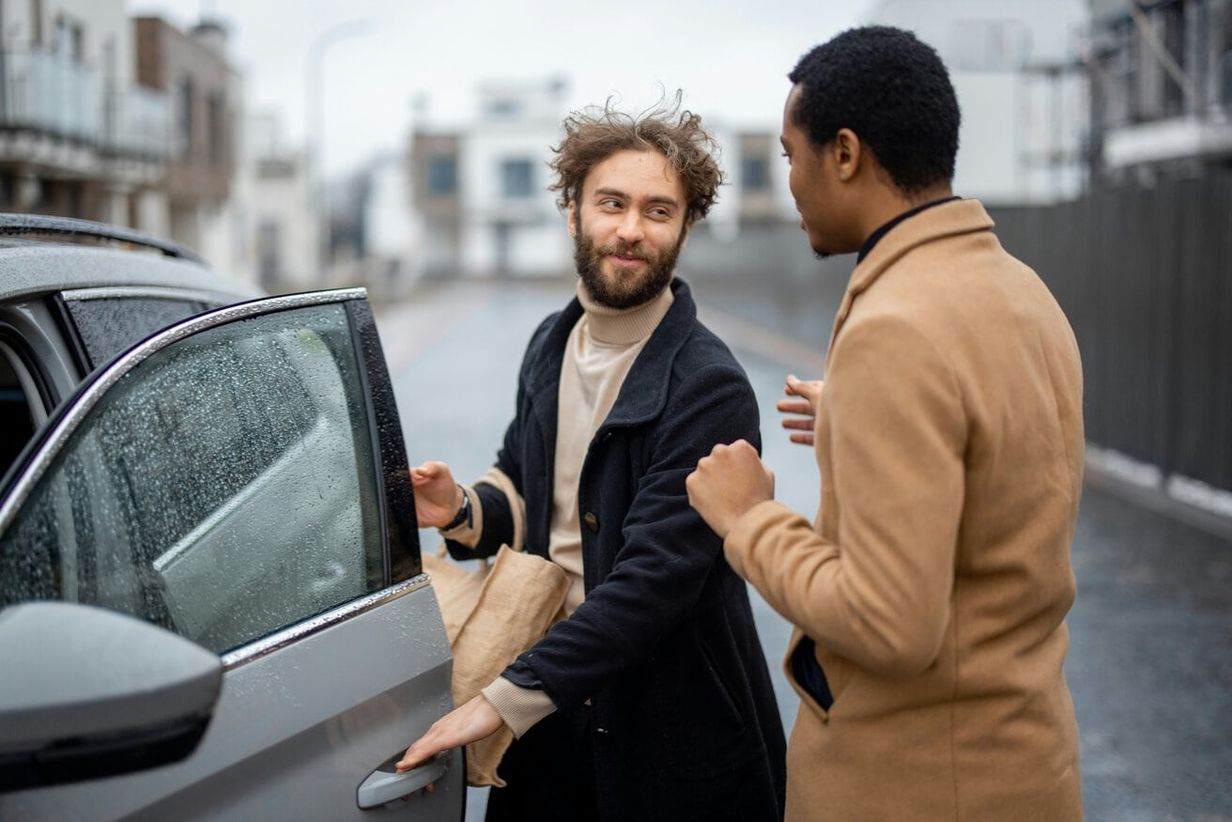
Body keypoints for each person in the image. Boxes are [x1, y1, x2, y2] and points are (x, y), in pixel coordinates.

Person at [686, 26, 1084, 821]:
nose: (789, 180)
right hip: (1026, 763)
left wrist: (750, 521)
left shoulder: (895, 329)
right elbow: (999, 461)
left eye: (791, 154)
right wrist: (858, 423)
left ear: (845, 153)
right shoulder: (1019, 289)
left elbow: (889, 623)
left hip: (920, 786)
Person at [397, 98, 786, 822]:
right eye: (611, 203)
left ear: (686, 228)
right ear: (573, 213)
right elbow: (526, 483)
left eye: (658, 211)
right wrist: (460, 509)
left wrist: (499, 702)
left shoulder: (708, 386)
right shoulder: (553, 341)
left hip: (669, 735)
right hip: (553, 719)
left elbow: (652, 584)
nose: (631, 230)